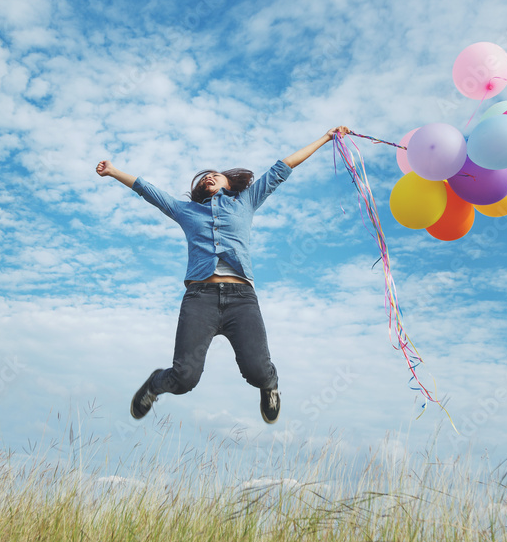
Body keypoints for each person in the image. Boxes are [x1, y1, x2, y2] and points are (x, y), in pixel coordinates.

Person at [96, 125, 351, 424]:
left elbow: (284, 167)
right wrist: (114, 171)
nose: (208, 176)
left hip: (241, 300)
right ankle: (155, 384)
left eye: (215, 174)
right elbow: (148, 190)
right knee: (184, 378)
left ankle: (270, 386)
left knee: (257, 371)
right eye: (204, 176)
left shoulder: (246, 201)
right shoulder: (185, 211)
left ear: (229, 183)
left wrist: (325, 138)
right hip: (199, 299)